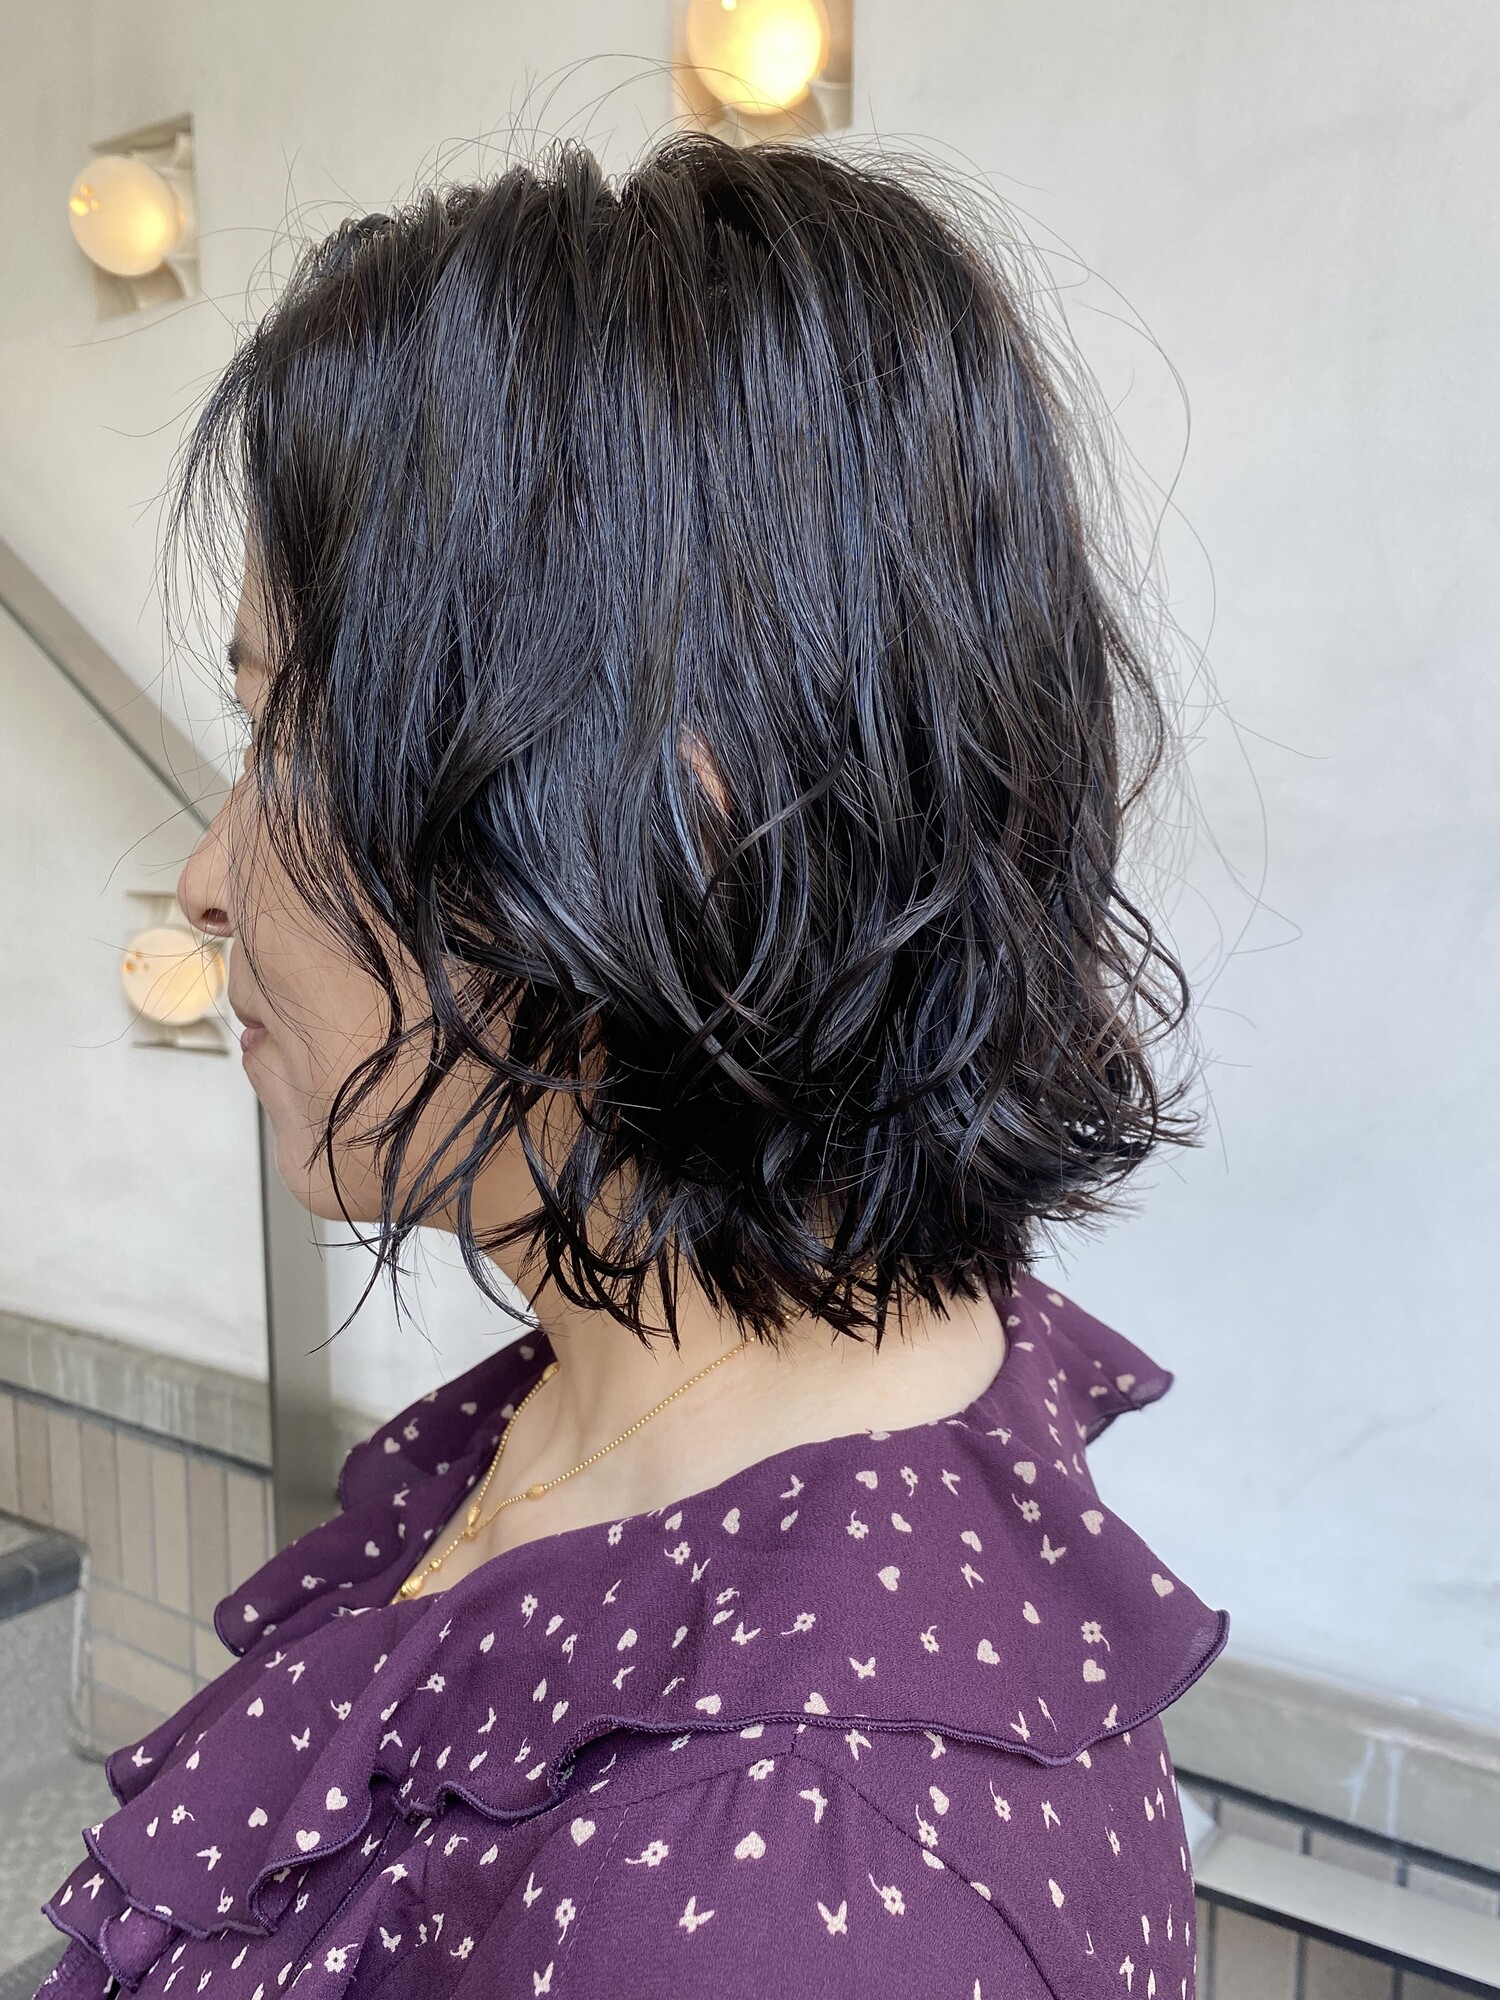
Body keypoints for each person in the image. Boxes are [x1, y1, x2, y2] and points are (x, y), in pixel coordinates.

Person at [41, 134, 1228, 1999]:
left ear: (672, 814)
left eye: (289, 734)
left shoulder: (795, 1885)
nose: (205, 874)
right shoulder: (659, 1396)